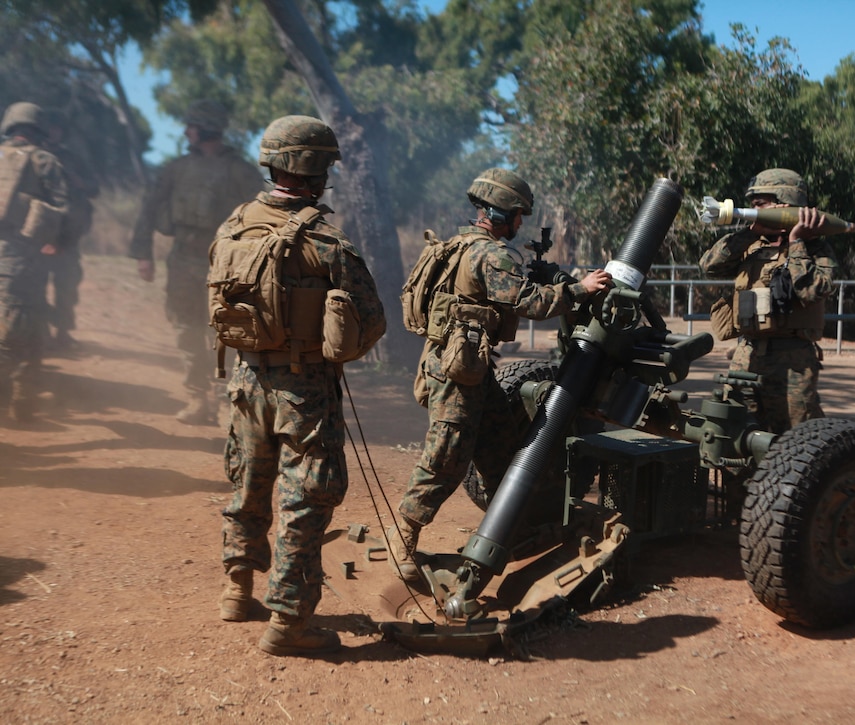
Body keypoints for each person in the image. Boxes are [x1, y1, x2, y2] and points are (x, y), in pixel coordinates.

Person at [212, 115, 386, 657]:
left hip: (245, 381)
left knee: (247, 485)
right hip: (304, 393)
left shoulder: (234, 226)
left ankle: (236, 591)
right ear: (314, 171)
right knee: (306, 499)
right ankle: (289, 621)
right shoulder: (328, 241)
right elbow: (373, 319)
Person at [386, 168, 612, 580]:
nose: (520, 224)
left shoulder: (456, 245)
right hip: (458, 371)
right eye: (518, 215)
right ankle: (402, 539)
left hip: (461, 364)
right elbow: (530, 303)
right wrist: (581, 288)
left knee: (499, 445)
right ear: (500, 212)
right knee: (445, 458)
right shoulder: (491, 254)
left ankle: (510, 526)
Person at [129, 99, 264, 424]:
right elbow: (150, 209)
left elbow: (260, 218)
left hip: (228, 262)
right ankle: (196, 398)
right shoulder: (176, 168)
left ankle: (228, 399)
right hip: (183, 259)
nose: (186, 131)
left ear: (206, 129)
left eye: (191, 125)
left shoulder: (241, 171)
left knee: (228, 331)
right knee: (185, 328)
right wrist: (143, 253)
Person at [699, 168, 838, 434]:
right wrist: (749, 234)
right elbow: (709, 266)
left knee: (797, 438)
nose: (754, 208)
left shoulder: (816, 249)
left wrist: (796, 242)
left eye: (761, 204)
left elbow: (813, 291)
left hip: (792, 361)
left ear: (785, 203)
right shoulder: (750, 244)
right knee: (737, 433)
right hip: (746, 355)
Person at [0, 101, 68, 424]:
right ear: (36, 130)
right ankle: (22, 403)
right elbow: (62, 210)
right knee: (25, 326)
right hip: (24, 258)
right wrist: (55, 242)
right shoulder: (45, 161)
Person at [42, 109, 99, 351]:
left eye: (57, 128)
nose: (53, 132)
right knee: (33, 285)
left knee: (66, 286)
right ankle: (39, 329)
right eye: (49, 128)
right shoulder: (34, 157)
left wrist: (80, 182)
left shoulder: (72, 159)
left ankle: (63, 332)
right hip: (38, 235)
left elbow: (94, 189)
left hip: (68, 235)